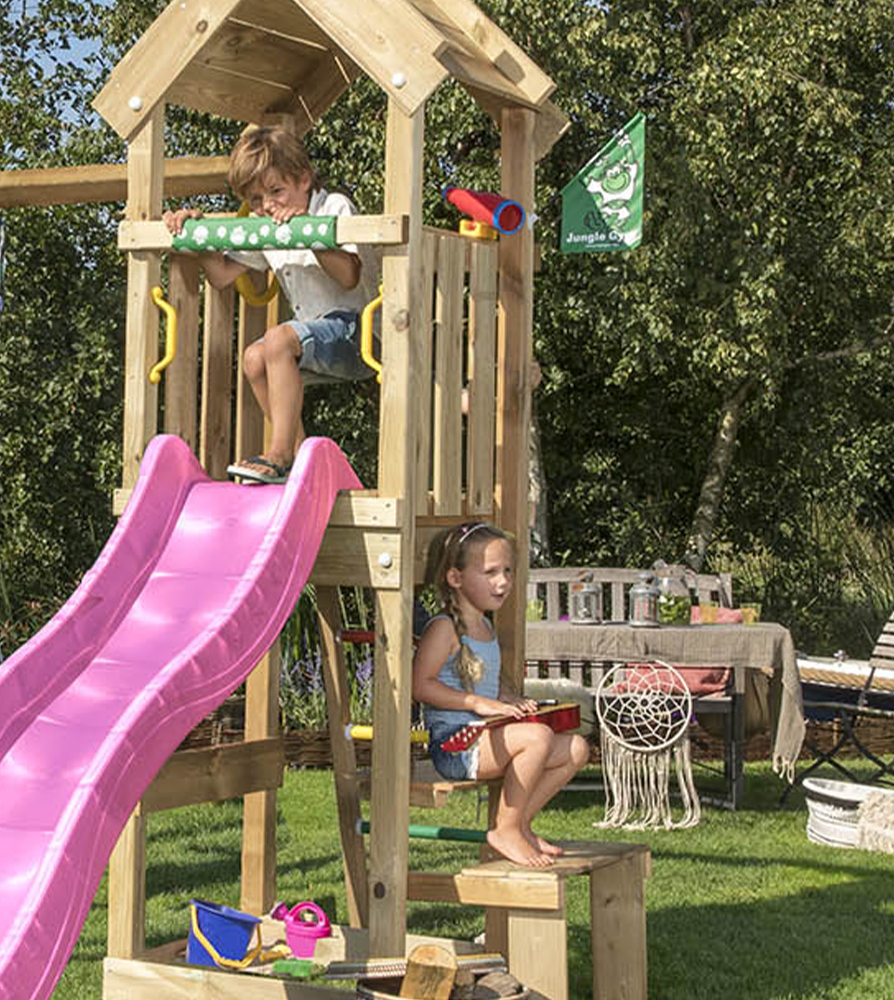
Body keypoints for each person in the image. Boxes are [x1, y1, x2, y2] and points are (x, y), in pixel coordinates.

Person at [164, 124, 377, 484]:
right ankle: (300, 457)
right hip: (313, 337)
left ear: (304, 179)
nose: (267, 206)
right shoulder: (267, 224)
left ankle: (279, 454)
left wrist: (308, 231)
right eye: (256, 199)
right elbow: (222, 275)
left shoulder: (332, 206)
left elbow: (349, 277)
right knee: (254, 358)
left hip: (361, 334)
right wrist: (194, 236)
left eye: (276, 191)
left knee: (278, 339)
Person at [415, 520, 590, 866]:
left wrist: (509, 700)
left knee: (576, 748)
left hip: (484, 738)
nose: (504, 581)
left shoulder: (484, 626)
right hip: (455, 746)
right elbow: (421, 685)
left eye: (507, 571)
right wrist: (478, 703)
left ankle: (520, 824)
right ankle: (505, 829)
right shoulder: (444, 628)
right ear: (455, 578)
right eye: (491, 572)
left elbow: (486, 682)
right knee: (537, 738)